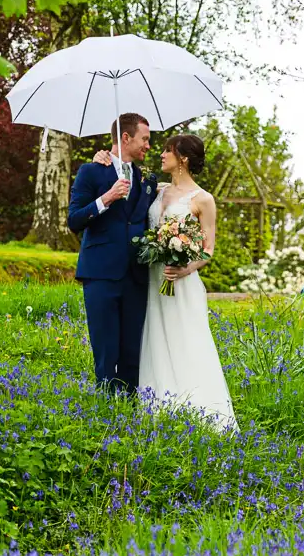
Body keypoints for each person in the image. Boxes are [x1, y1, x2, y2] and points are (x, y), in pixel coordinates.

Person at [93, 133, 238, 429]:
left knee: (185, 339)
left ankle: (197, 408)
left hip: (181, 281)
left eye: (168, 150)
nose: (160, 154)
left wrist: (185, 268)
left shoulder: (203, 199)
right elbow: (124, 181)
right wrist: (103, 158)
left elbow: (208, 249)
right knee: (153, 338)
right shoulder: (156, 189)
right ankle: (156, 404)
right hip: (152, 279)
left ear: (182, 158)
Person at [68, 113, 156, 395]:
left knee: (132, 348)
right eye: (145, 139)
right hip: (101, 272)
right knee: (105, 348)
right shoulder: (91, 171)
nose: (148, 146)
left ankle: (129, 408)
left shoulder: (145, 179)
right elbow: (74, 221)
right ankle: (105, 410)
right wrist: (106, 198)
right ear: (126, 138)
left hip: (136, 273)